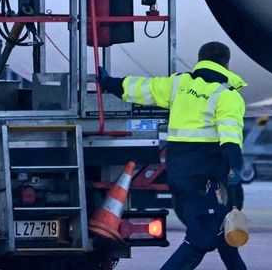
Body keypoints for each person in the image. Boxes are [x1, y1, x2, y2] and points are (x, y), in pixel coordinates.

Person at [103, 42, 249, 270]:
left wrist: (109, 82)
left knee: (225, 238)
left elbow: (142, 89)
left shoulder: (179, 83)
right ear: (226, 63)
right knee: (202, 238)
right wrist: (234, 170)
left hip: (179, 172)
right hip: (205, 177)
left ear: (200, 59)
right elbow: (230, 138)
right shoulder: (227, 95)